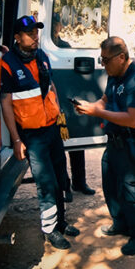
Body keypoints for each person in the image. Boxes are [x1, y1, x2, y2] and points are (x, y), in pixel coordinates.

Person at [0, 15, 78, 250]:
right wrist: (15, 139)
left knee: (61, 178)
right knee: (46, 183)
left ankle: (61, 223)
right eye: (29, 33)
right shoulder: (8, 63)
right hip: (33, 136)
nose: (35, 36)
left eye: (36, 32)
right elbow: (5, 102)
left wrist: (60, 117)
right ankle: (50, 230)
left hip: (52, 128)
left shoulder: (41, 56)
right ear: (16, 37)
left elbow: (50, 86)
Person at [74, 37, 135, 256]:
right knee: (111, 186)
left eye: (105, 60)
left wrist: (97, 112)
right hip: (113, 142)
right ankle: (120, 224)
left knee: (132, 190)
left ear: (121, 57)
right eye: (102, 59)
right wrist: (91, 107)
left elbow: (132, 119)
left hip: (130, 144)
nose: (103, 64)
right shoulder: (114, 76)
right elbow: (106, 100)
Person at [51, 12, 97, 198]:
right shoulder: (42, 49)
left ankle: (80, 182)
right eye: (54, 23)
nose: (56, 27)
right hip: (53, 102)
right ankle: (64, 186)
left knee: (77, 140)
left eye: (58, 24)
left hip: (67, 100)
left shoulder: (65, 47)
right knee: (59, 144)